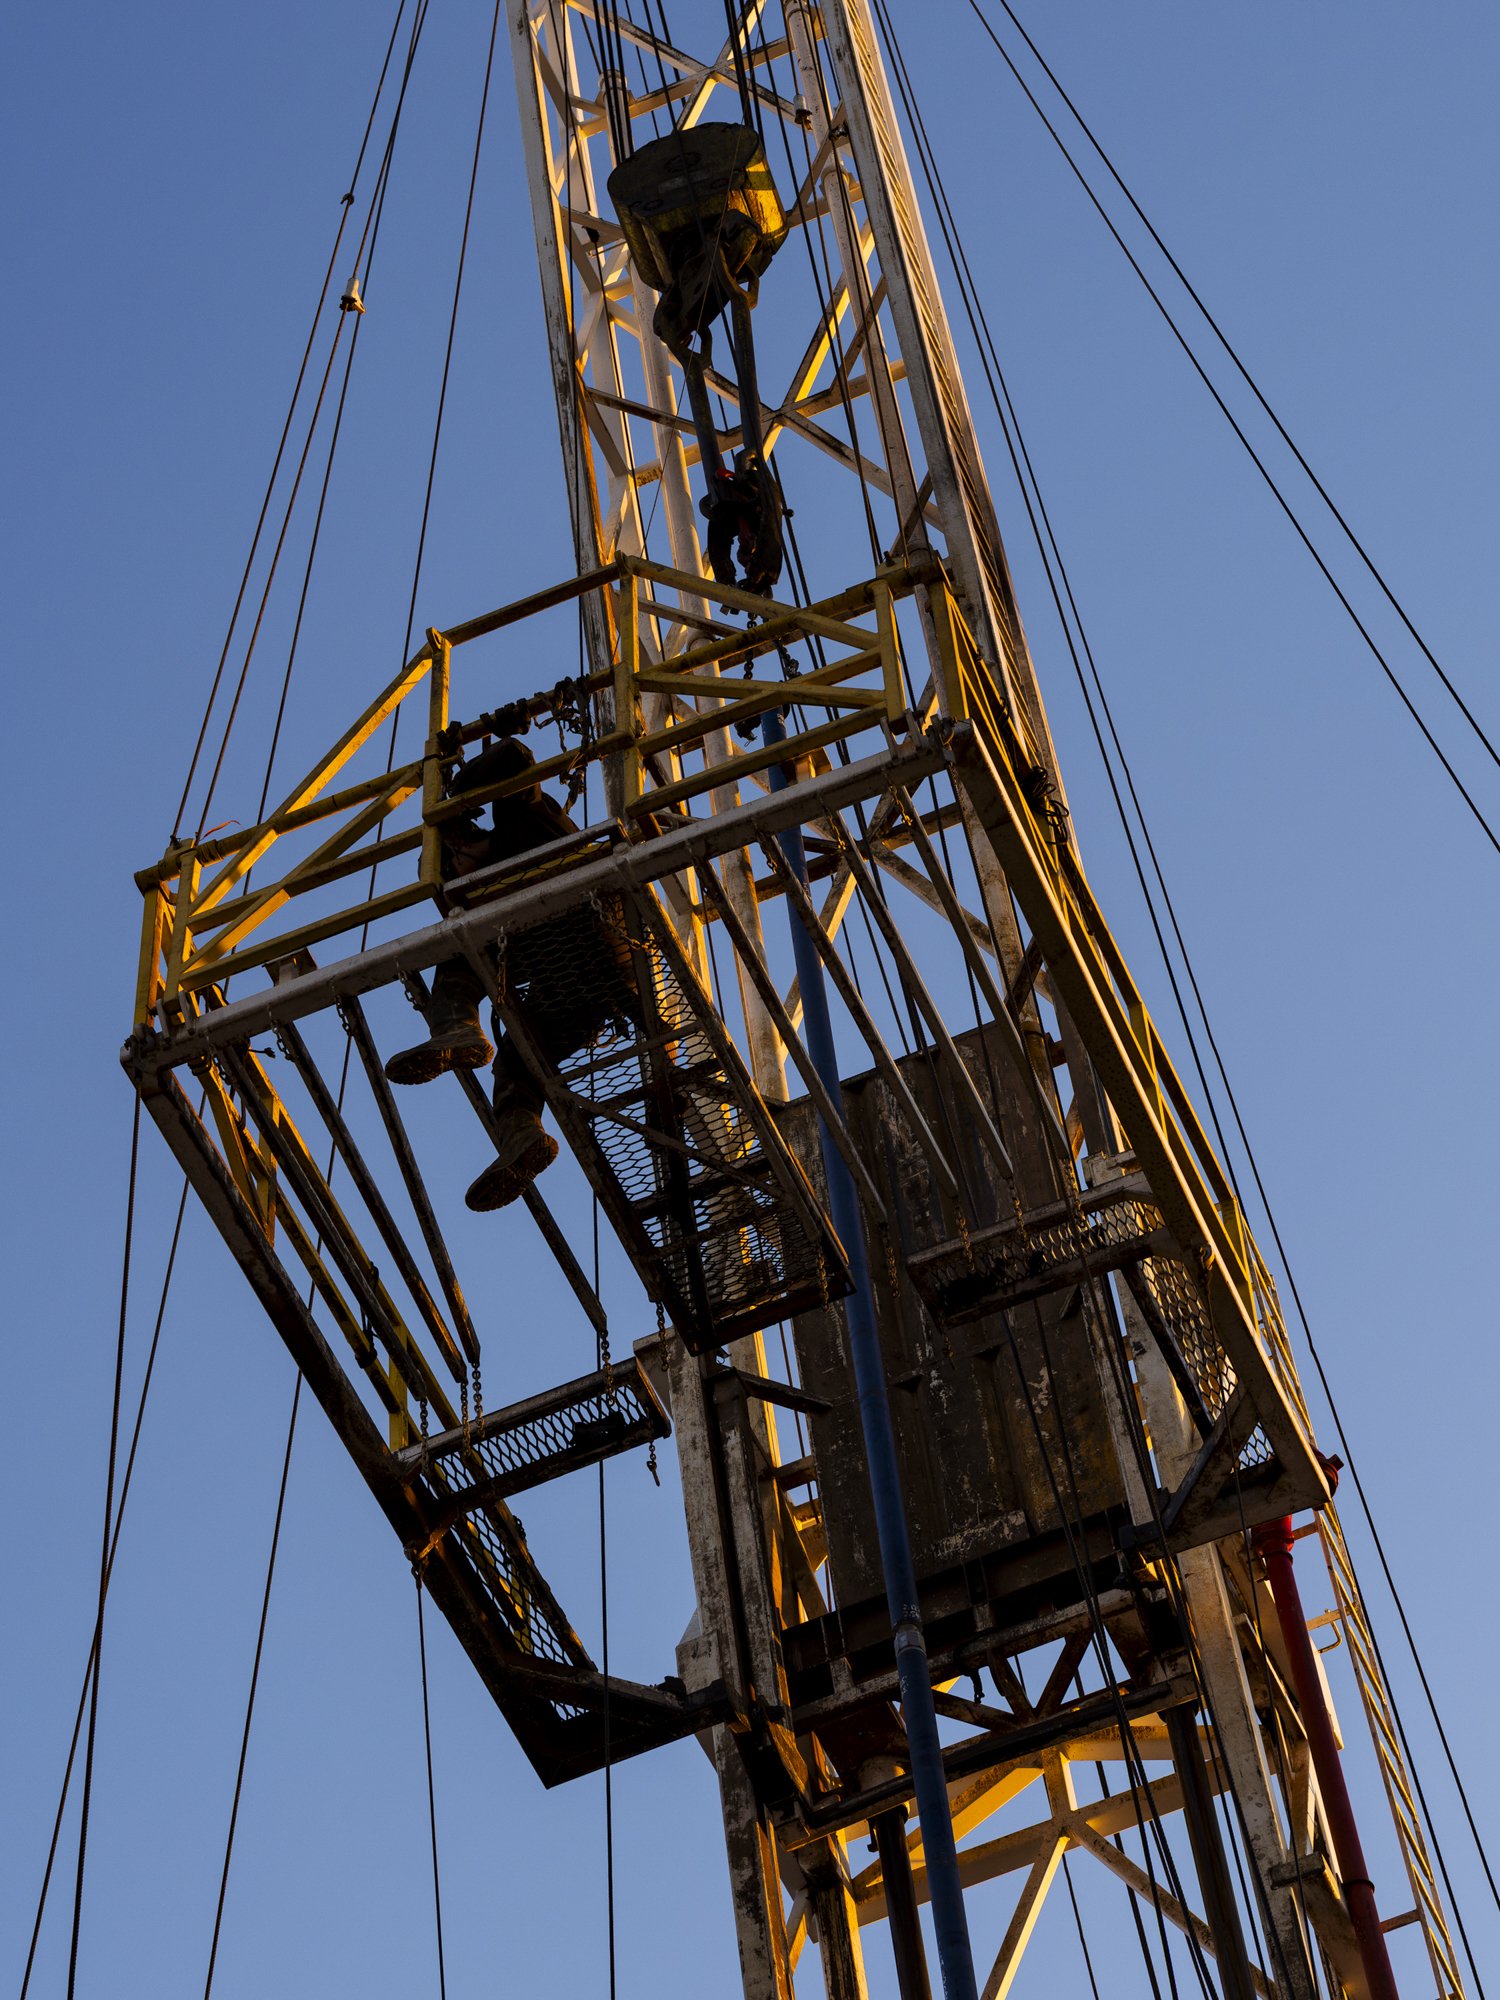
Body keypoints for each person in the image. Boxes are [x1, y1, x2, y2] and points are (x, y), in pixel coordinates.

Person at [384, 737, 638, 1211]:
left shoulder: (524, 821)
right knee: (517, 1060)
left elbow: (517, 757)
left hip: (591, 936)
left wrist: (450, 796)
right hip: (586, 987)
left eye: (455, 867)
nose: (462, 883)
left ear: (457, 842)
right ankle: (522, 1138)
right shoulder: (498, 895)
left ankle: (458, 1028)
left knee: (462, 953)